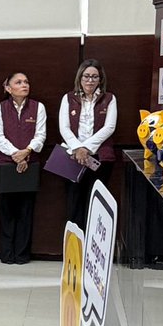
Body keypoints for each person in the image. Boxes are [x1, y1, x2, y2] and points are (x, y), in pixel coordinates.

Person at [0, 71, 46, 264]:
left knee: (25, 211)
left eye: (26, 82)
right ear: (8, 88)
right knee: (7, 212)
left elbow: (40, 135)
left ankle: (22, 255)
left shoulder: (38, 107)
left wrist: (26, 152)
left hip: (30, 164)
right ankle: (7, 254)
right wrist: (16, 155)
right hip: (5, 165)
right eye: (19, 82)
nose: (24, 85)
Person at [58, 58, 117, 229]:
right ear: (80, 78)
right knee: (73, 203)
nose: (90, 80)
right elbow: (64, 127)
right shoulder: (68, 98)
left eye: (94, 77)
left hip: (99, 158)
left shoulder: (109, 98)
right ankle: (75, 243)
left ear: (100, 79)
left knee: (95, 204)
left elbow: (109, 127)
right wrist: (78, 148)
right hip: (72, 157)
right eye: (86, 76)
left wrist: (86, 148)